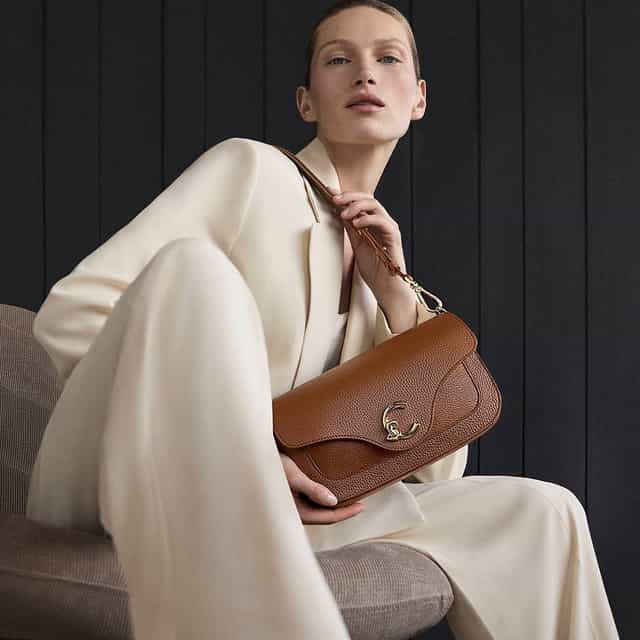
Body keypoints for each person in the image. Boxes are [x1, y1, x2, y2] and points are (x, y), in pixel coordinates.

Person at [25, 0, 619, 638]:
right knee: (195, 271)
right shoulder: (249, 169)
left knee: (545, 510)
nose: (365, 73)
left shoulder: (377, 266)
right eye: (339, 60)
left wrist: (395, 295)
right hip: (124, 474)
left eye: (387, 58)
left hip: (292, 507)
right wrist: (248, 453)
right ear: (306, 102)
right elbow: (70, 316)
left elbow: (438, 469)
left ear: (418, 98)